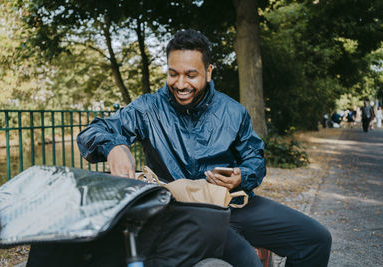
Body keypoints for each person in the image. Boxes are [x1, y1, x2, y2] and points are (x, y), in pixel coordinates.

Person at [77, 29, 331, 267]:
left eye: (190, 74)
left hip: (232, 204)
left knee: (316, 239)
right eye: (173, 73)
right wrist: (114, 146)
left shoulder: (233, 111)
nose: (180, 83)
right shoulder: (147, 108)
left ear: (208, 72)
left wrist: (243, 175)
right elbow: (92, 132)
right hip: (180, 212)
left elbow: (255, 159)